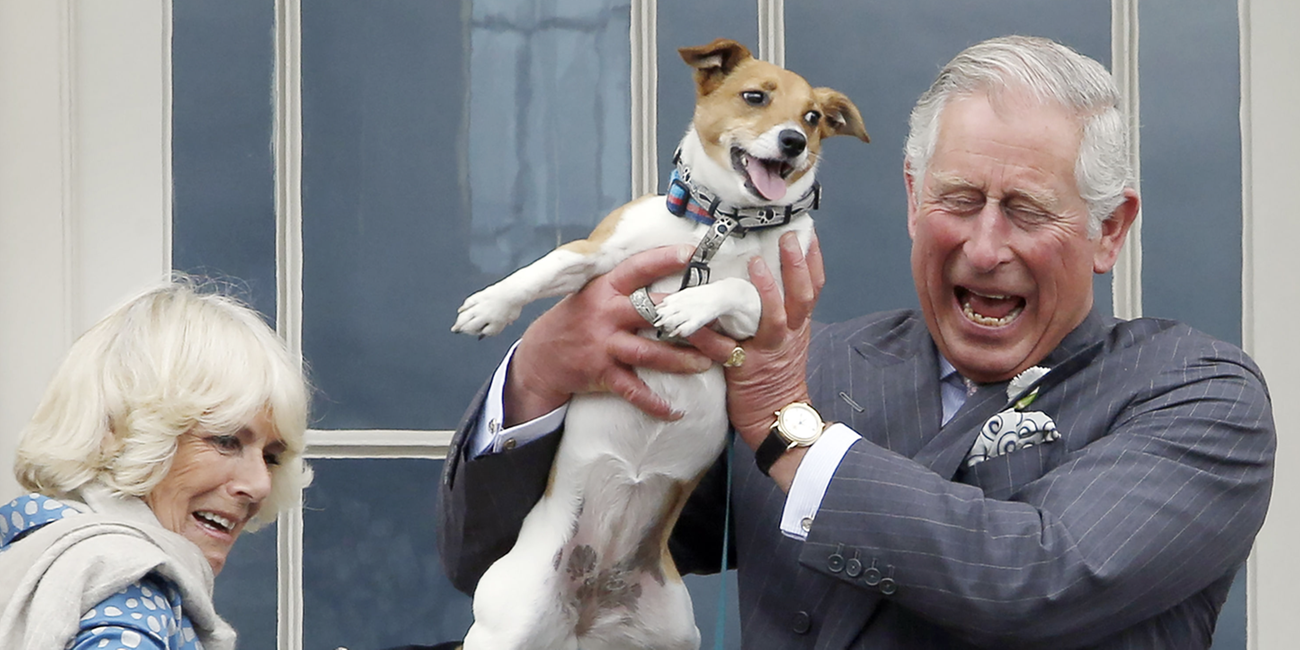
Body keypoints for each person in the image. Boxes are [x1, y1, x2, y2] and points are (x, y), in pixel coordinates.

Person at [437, 35, 1275, 648]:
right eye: (957, 199)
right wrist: (545, 374)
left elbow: (1040, 578)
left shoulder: (1198, 394)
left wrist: (782, 423)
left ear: (1109, 229)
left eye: (1026, 209)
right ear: (912, 200)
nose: (986, 248)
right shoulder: (815, 361)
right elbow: (499, 556)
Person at [0, 277, 311, 650]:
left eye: (272, 457)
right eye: (225, 440)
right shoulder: (130, 585)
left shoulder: (31, 548)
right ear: (121, 430)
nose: (260, 484)